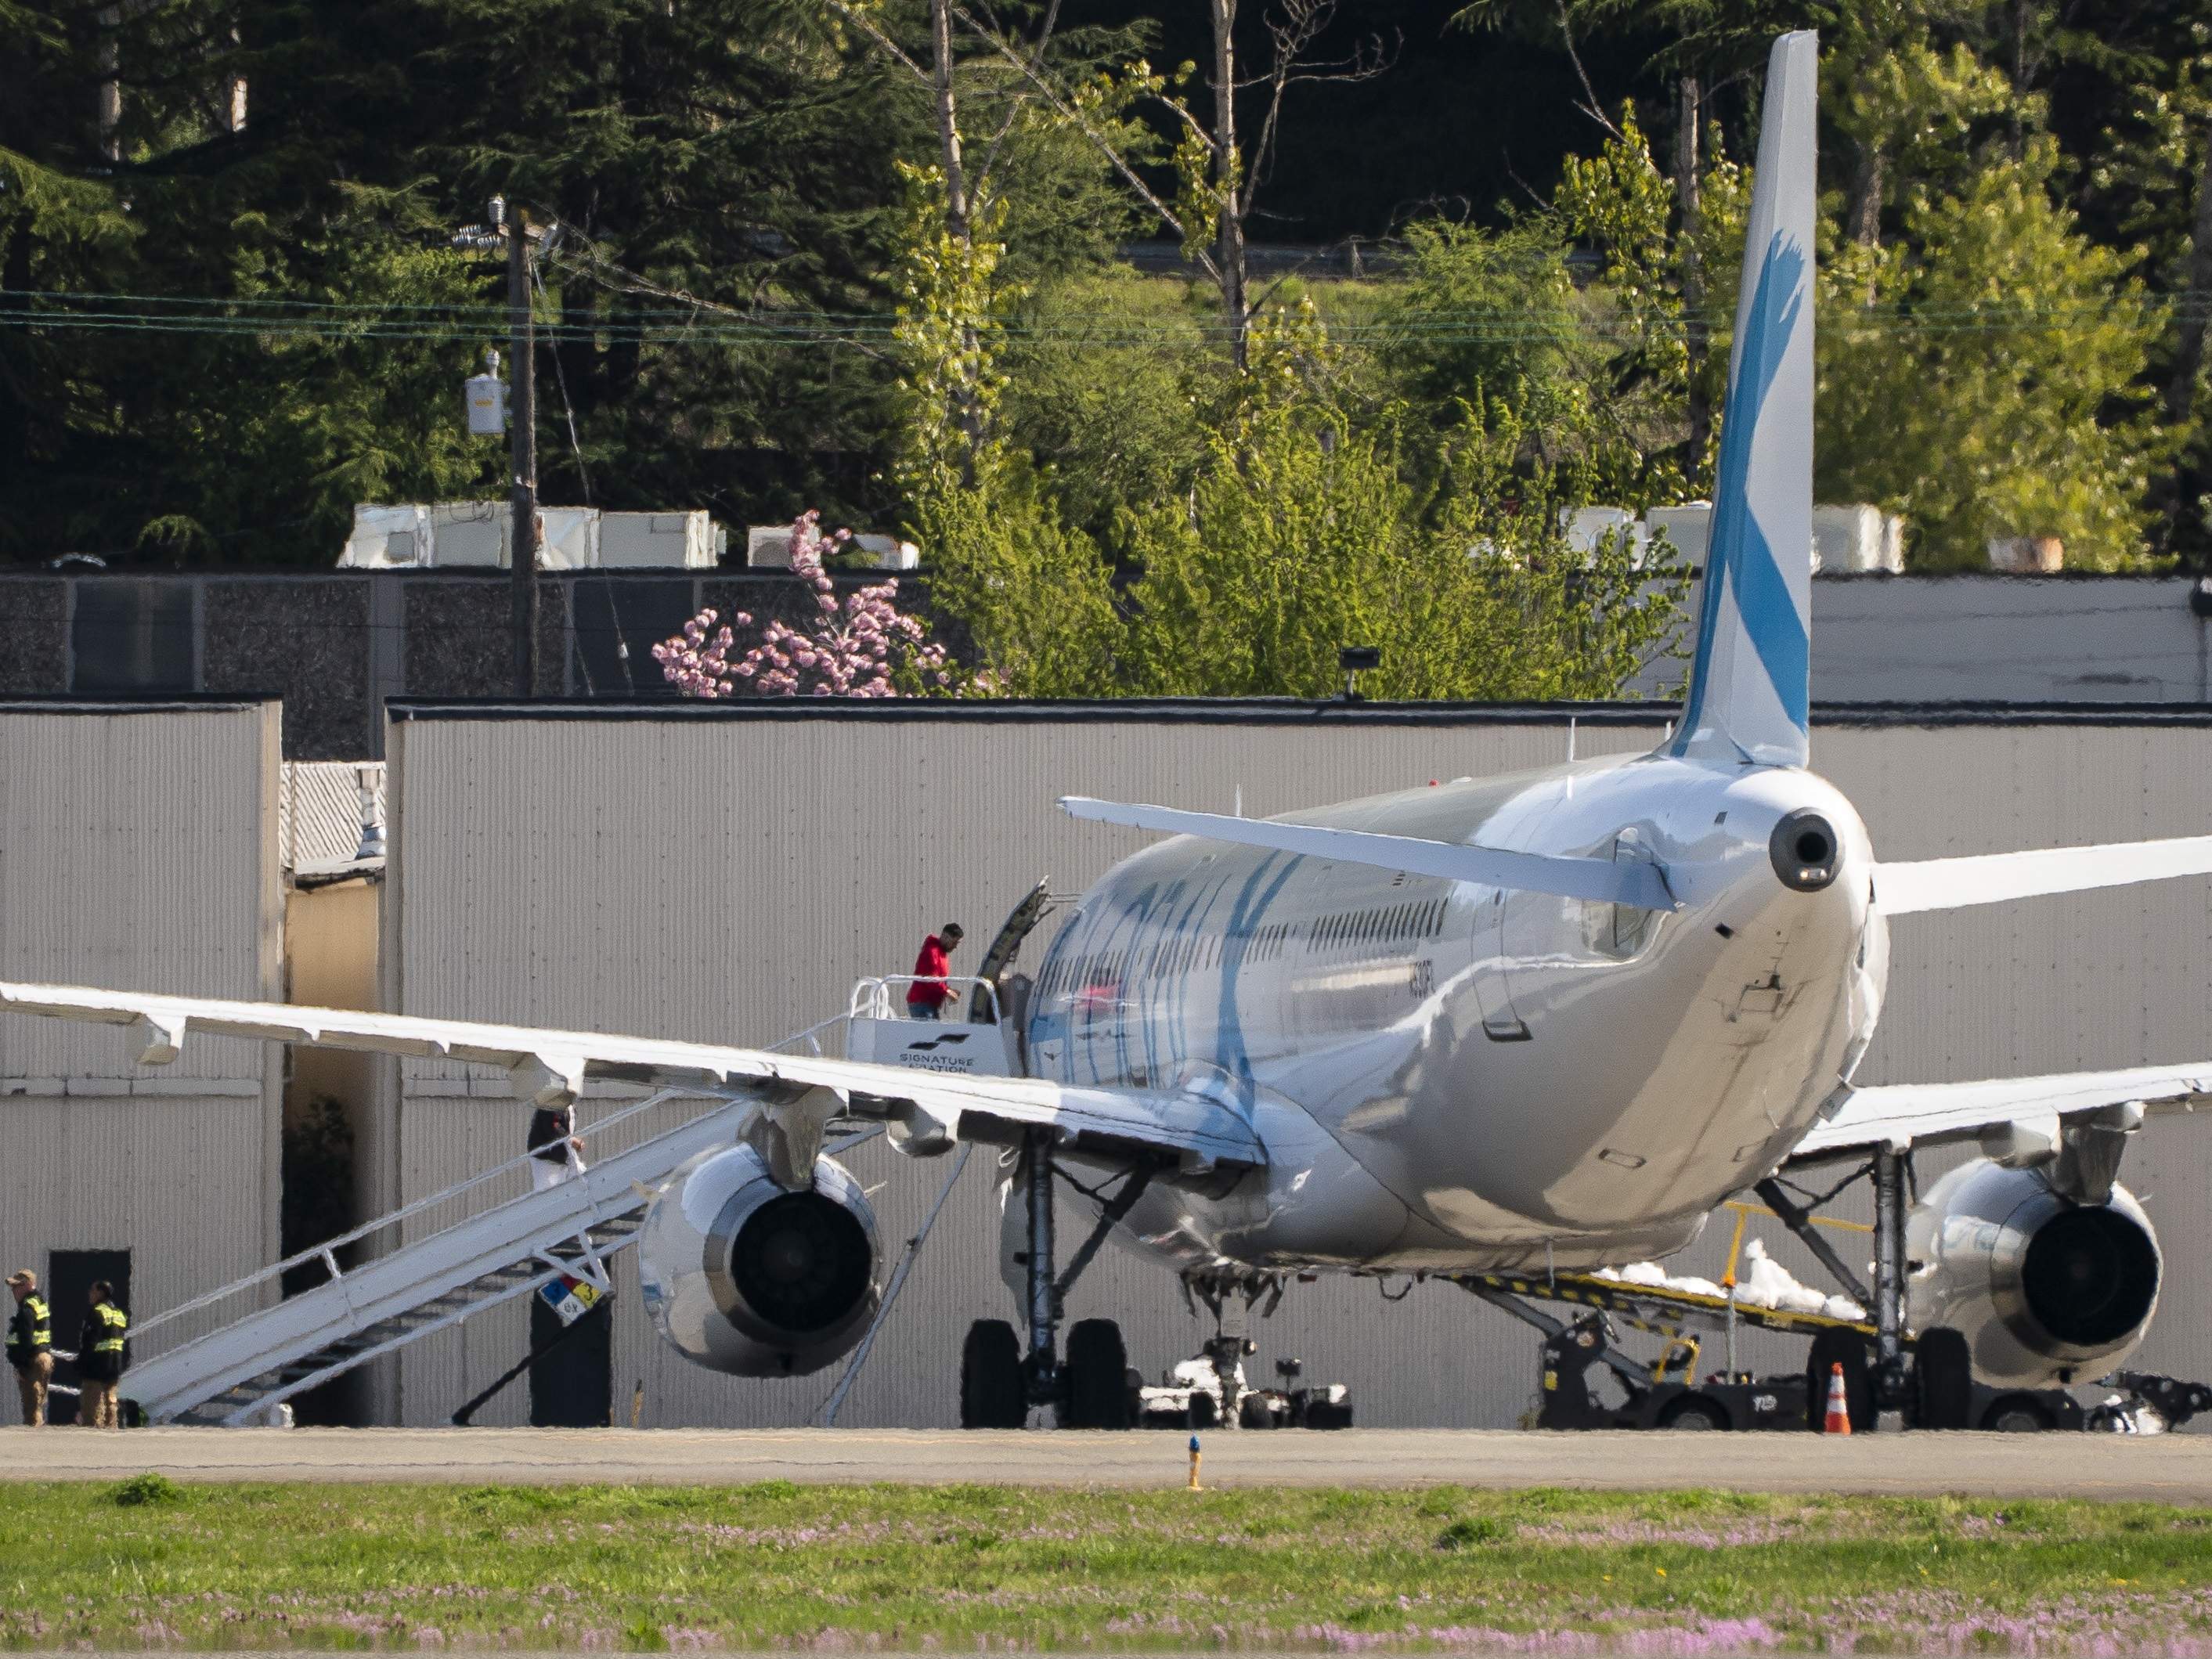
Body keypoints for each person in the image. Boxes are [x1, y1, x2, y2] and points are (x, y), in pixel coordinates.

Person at [77, 1282, 127, 1429]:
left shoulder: (98, 1312)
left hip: (96, 1369)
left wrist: (81, 1363)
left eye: (92, 1290)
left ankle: (94, 1440)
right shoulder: (119, 1314)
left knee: (92, 1408)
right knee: (110, 1404)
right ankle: (112, 1433)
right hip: (114, 1367)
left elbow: (90, 1341)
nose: (89, 1294)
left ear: (100, 1292)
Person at [5, 1270, 52, 1426]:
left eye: (16, 1286)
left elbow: (26, 1336)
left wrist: (21, 1365)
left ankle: (34, 1445)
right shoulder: (39, 1303)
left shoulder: (28, 1307)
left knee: (31, 1408)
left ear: (28, 1286)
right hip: (43, 1357)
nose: (13, 1291)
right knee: (37, 1404)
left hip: (33, 1360)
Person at [906, 922, 965, 1019]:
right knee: (928, 1033)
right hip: (922, 1004)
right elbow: (930, 978)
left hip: (928, 1004)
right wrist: (946, 991)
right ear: (946, 937)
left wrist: (947, 990)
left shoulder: (941, 953)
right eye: (954, 942)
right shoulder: (932, 952)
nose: (955, 946)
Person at [528, 1104, 586, 1192]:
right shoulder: (552, 1103)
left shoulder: (570, 1106)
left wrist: (573, 1143)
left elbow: (567, 1128)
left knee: (579, 1179)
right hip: (546, 1157)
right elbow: (552, 1128)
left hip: (563, 1156)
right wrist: (571, 1139)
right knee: (546, 1193)